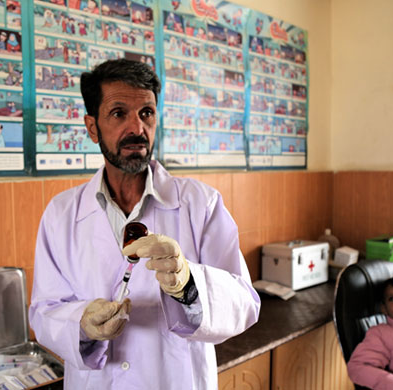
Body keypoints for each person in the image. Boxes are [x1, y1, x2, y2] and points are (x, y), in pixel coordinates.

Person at [28, 58, 260, 390]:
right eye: (119, 113)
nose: (136, 128)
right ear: (92, 127)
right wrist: (81, 323)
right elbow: (43, 311)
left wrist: (189, 285)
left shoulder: (201, 204)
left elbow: (244, 302)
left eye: (146, 113)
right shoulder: (61, 214)